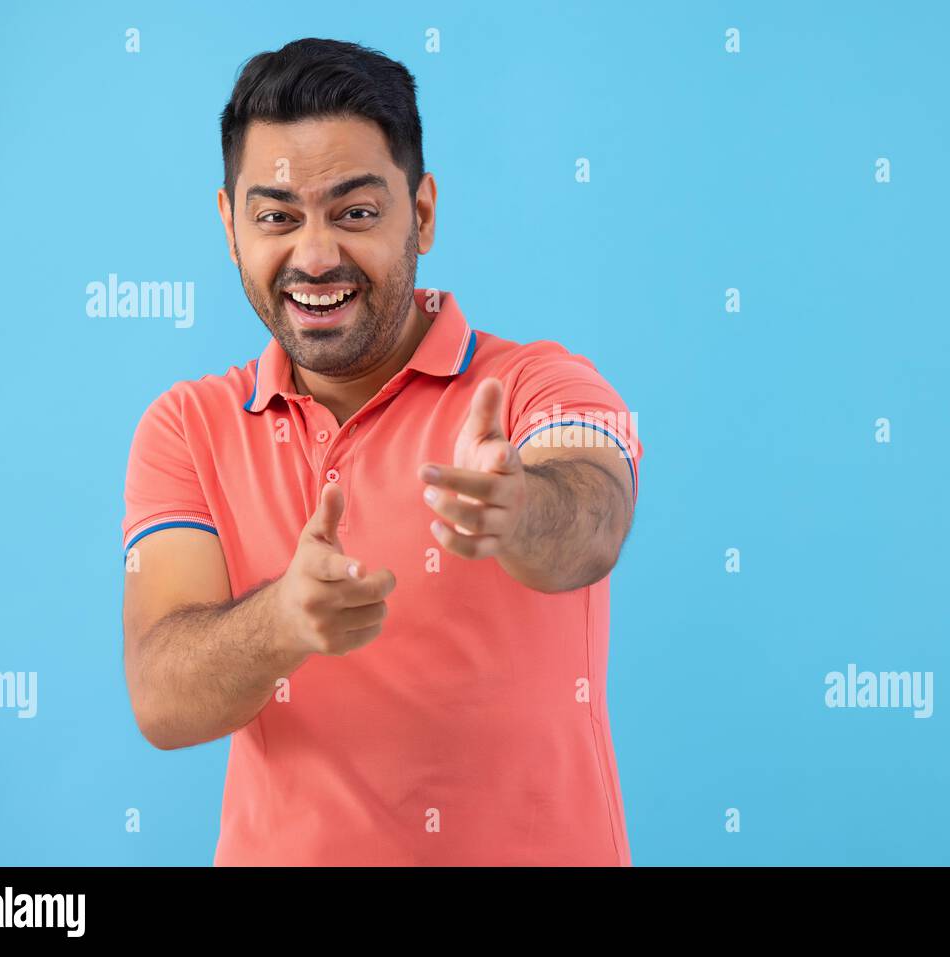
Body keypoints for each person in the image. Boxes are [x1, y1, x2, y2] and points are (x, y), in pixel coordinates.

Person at [120, 38, 642, 866]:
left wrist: (520, 506)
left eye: (355, 212)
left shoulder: (545, 385)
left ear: (422, 213)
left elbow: (596, 515)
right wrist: (281, 620)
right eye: (277, 216)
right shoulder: (185, 426)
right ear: (230, 225)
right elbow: (162, 697)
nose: (316, 255)